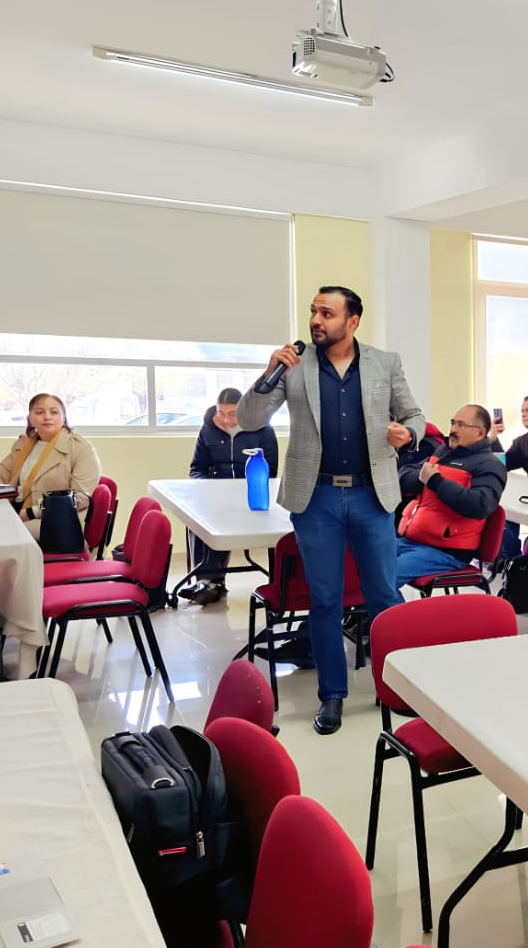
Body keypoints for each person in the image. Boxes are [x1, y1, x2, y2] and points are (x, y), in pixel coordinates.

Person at [237, 286, 424, 735]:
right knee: (324, 601)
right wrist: (268, 372)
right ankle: (332, 695)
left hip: (371, 496)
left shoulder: (384, 363)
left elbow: (414, 415)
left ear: (352, 321)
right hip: (315, 497)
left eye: (327, 313)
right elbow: (248, 420)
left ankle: (395, 688)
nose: (316, 320)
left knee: (384, 597)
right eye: (313, 312)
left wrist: (408, 434)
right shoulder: (294, 366)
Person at [180, 387, 280, 605]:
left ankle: (214, 583)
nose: (226, 419)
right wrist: (208, 487)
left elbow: (271, 471)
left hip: (250, 496)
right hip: (216, 496)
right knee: (197, 522)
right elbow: (197, 469)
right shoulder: (208, 429)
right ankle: (207, 581)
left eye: (232, 414)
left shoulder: (263, 429)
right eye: (221, 413)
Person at [394, 405, 507, 588]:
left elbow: (480, 505)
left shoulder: (490, 465)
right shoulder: (443, 452)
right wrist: (423, 478)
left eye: (461, 425)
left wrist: (436, 481)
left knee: (384, 577)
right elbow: (404, 477)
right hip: (413, 540)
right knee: (362, 561)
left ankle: (386, 607)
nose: (453, 429)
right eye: (453, 422)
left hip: (446, 551)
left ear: (480, 433)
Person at [0, 393, 101, 543]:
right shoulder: (24, 444)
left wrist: (31, 512)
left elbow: (81, 497)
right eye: (39, 412)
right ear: (30, 418)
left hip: (59, 520)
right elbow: (2, 471)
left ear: (63, 417)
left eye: (54, 412)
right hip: (18, 510)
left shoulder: (81, 448)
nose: (47, 417)